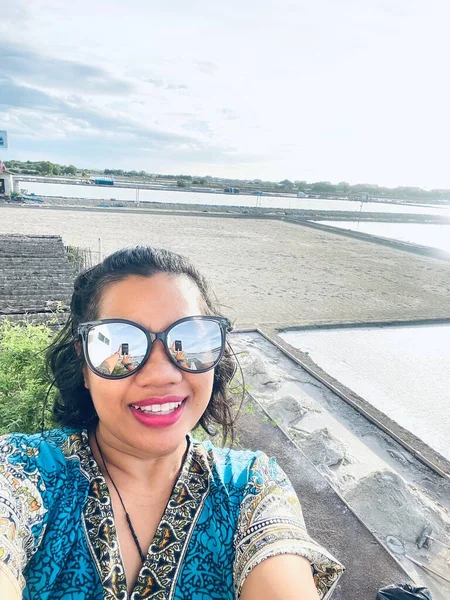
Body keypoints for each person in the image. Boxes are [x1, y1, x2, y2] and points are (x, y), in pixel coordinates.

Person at [0, 246, 343, 599]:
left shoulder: (250, 487)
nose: (162, 375)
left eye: (191, 341)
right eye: (121, 344)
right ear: (84, 363)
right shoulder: (20, 470)